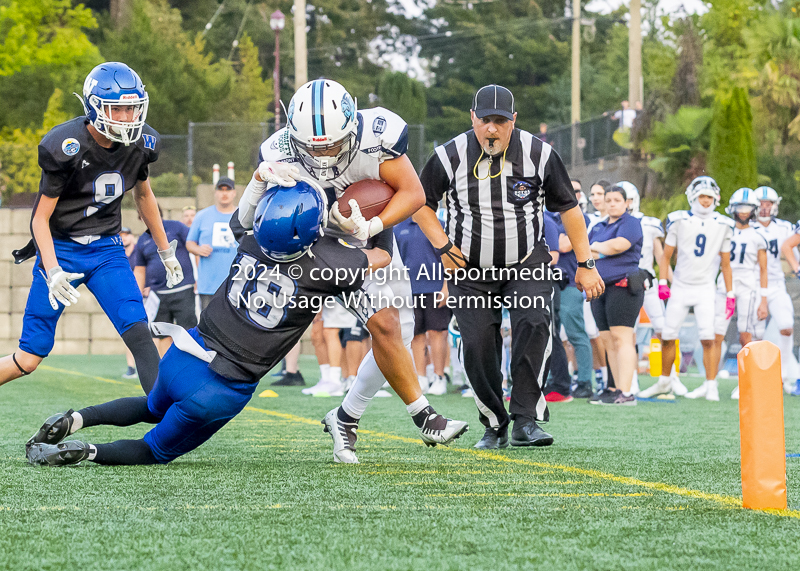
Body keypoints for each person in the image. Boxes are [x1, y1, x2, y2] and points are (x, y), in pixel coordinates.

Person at [25, 183, 356, 465]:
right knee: (151, 449)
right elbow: (378, 255)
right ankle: (87, 452)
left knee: (153, 405)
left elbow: (242, 219)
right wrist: (362, 228)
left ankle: (76, 419)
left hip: (185, 354)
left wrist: (259, 179)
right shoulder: (329, 268)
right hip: (222, 388)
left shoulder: (249, 241)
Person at [247, 78, 468, 463]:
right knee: (382, 326)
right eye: (314, 147)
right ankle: (422, 416)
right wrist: (261, 182)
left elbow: (413, 195)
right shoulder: (278, 151)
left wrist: (374, 227)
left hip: (369, 232)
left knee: (392, 328)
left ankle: (346, 418)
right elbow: (252, 219)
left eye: (333, 143)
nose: (325, 154)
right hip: (310, 244)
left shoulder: (379, 133)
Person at [415, 84, 604, 450]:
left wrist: (586, 263)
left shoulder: (540, 154)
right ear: (473, 118)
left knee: (534, 325)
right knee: (476, 342)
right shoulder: (447, 155)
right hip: (468, 269)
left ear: (513, 121)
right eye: (485, 120)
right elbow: (420, 202)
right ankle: (493, 421)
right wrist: (442, 245)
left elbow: (568, 208)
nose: (491, 129)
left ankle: (526, 420)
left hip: (526, 263)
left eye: (500, 121)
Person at [2, 62, 182, 395]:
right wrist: (53, 270)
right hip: (63, 249)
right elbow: (39, 218)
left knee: (139, 331)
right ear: (95, 107)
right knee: (29, 356)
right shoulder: (65, 145)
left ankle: (168, 418)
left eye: (132, 108)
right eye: (119, 109)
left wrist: (165, 249)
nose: (128, 117)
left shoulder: (142, 143)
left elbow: (144, 196)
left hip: (106, 250)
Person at [645, 176, 734, 401]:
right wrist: (664, 283)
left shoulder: (723, 224)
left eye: (709, 197)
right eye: (702, 196)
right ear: (693, 197)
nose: (705, 201)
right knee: (667, 335)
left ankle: (710, 384)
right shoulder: (679, 220)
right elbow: (665, 257)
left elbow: (725, 264)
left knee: (709, 338)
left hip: (705, 287)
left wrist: (730, 293)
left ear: (716, 198)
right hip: (682, 286)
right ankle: (665, 381)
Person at [587, 185, 644, 405]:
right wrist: (596, 248)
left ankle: (626, 392)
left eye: (616, 200)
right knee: (607, 340)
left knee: (623, 337)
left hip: (623, 285)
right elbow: (584, 252)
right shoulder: (598, 226)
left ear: (626, 202)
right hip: (599, 287)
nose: (611, 203)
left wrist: (595, 248)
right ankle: (615, 388)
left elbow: (619, 245)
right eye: (608, 200)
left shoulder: (631, 223)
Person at [712, 189, 768, 399]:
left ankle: (745, 383)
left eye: (747, 208)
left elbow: (763, 269)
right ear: (732, 209)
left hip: (748, 286)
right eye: (740, 208)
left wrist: (763, 299)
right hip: (724, 285)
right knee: (716, 333)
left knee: (746, 335)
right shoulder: (724, 229)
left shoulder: (758, 235)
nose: (743, 212)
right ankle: (711, 382)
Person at [394, 216, 451, 396]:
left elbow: (449, 258)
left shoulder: (439, 224)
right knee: (416, 335)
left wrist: (446, 287)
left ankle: (439, 377)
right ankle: (421, 378)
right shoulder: (398, 227)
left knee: (437, 333)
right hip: (408, 290)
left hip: (436, 288)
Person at [753, 186, 798, 394]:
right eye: (760, 204)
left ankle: (784, 377)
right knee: (754, 333)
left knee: (787, 325)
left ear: (774, 206)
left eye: (768, 204)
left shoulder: (784, 228)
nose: (764, 208)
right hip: (753, 285)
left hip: (777, 283)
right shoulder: (746, 227)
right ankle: (753, 378)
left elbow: (792, 250)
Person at [133, 208, 197, 355]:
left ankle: (189, 368)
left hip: (183, 290)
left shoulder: (176, 227)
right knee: (162, 335)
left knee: (189, 332)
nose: (146, 218)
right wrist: (137, 294)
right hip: (158, 295)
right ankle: (167, 370)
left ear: (157, 213)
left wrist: (199, 278)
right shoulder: (143, 239)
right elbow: (140, 269)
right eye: (143, 217)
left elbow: (194, 247)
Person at [553, 180, 595, 398]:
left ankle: (586, 382)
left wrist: (555, 237)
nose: (574, 193)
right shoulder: (549, 216)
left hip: (570, 283)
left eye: (578, 190)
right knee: (549, 334)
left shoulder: (583, 218)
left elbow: (563, 245)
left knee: (575, 333)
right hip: (547, 282)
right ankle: (554, 380)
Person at [186, 177, 239, 310]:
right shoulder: (202, 216)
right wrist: (198, 249)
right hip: (208, 285)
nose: (224, 193)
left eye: (228, 189)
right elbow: (189, 243)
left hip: (237, 284)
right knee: (208, 326)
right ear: (215, 192)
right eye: (221, 189)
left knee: (234, 327)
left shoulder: (243, 216)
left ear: (234, 193)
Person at [120, 227, 139, 379]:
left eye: (126, 235)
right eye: (121, 235)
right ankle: (131, 367)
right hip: (127, 298)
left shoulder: (140, 252)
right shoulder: (117, 255)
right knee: (130, 330)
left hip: (146, 297)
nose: (124, 238)